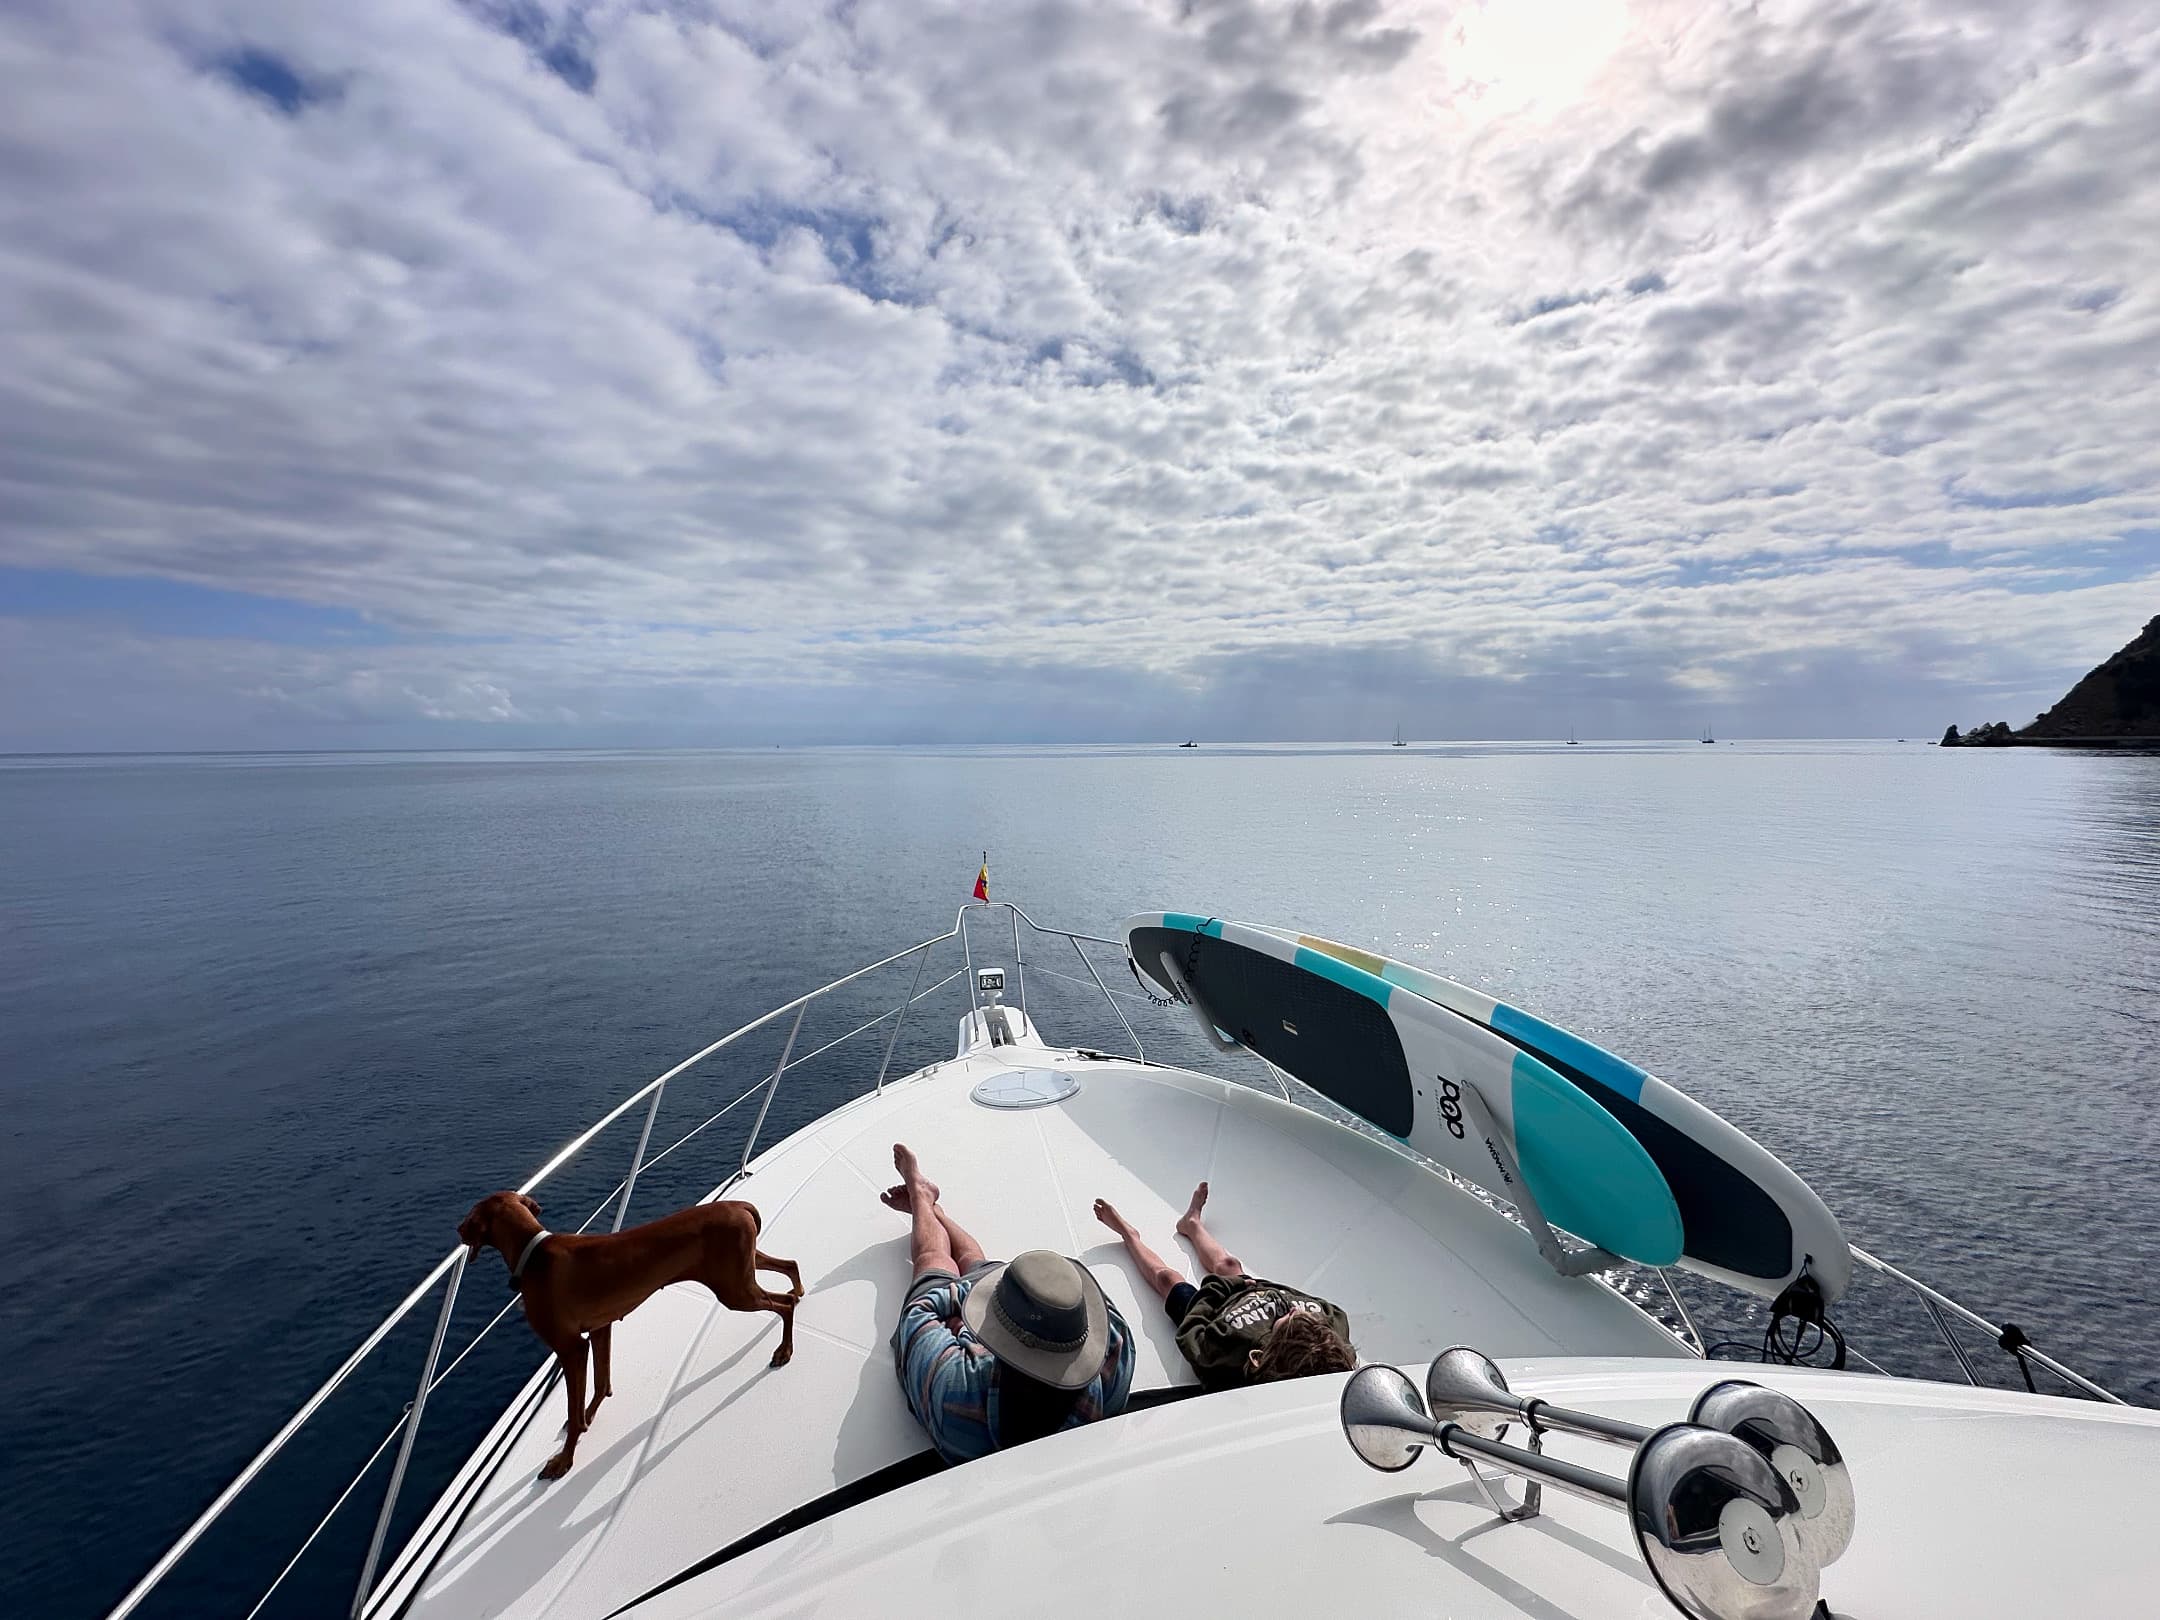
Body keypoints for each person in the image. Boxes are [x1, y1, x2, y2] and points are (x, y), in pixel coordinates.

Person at [885, 1143, 1134, 1464]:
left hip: (964, 1361)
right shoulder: (1111, 1358)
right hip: (1028, 1336)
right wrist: (1036, 1295)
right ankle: (934, 1211)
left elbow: (919, 1314)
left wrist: (978, 1292)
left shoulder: (954, 1392)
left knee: (937, 1261)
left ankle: (922, 1199)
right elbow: (1094, 1303)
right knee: (975, 1261)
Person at [1094, 1180, 1354, 1390]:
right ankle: (1192, 1224)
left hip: (1211, 1313)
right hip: (1253, 1291)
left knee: (1169, 1280)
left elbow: (1190, 1335)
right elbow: (1311, 1303)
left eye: (1287, 1318)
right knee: (1229, 1264)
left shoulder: (1224, 1354)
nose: (1293, 1310)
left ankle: (1129, 1236)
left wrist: (1217, 1290)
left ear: (1263, 1355)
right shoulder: (1329, 1327)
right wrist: (1261, 1286)